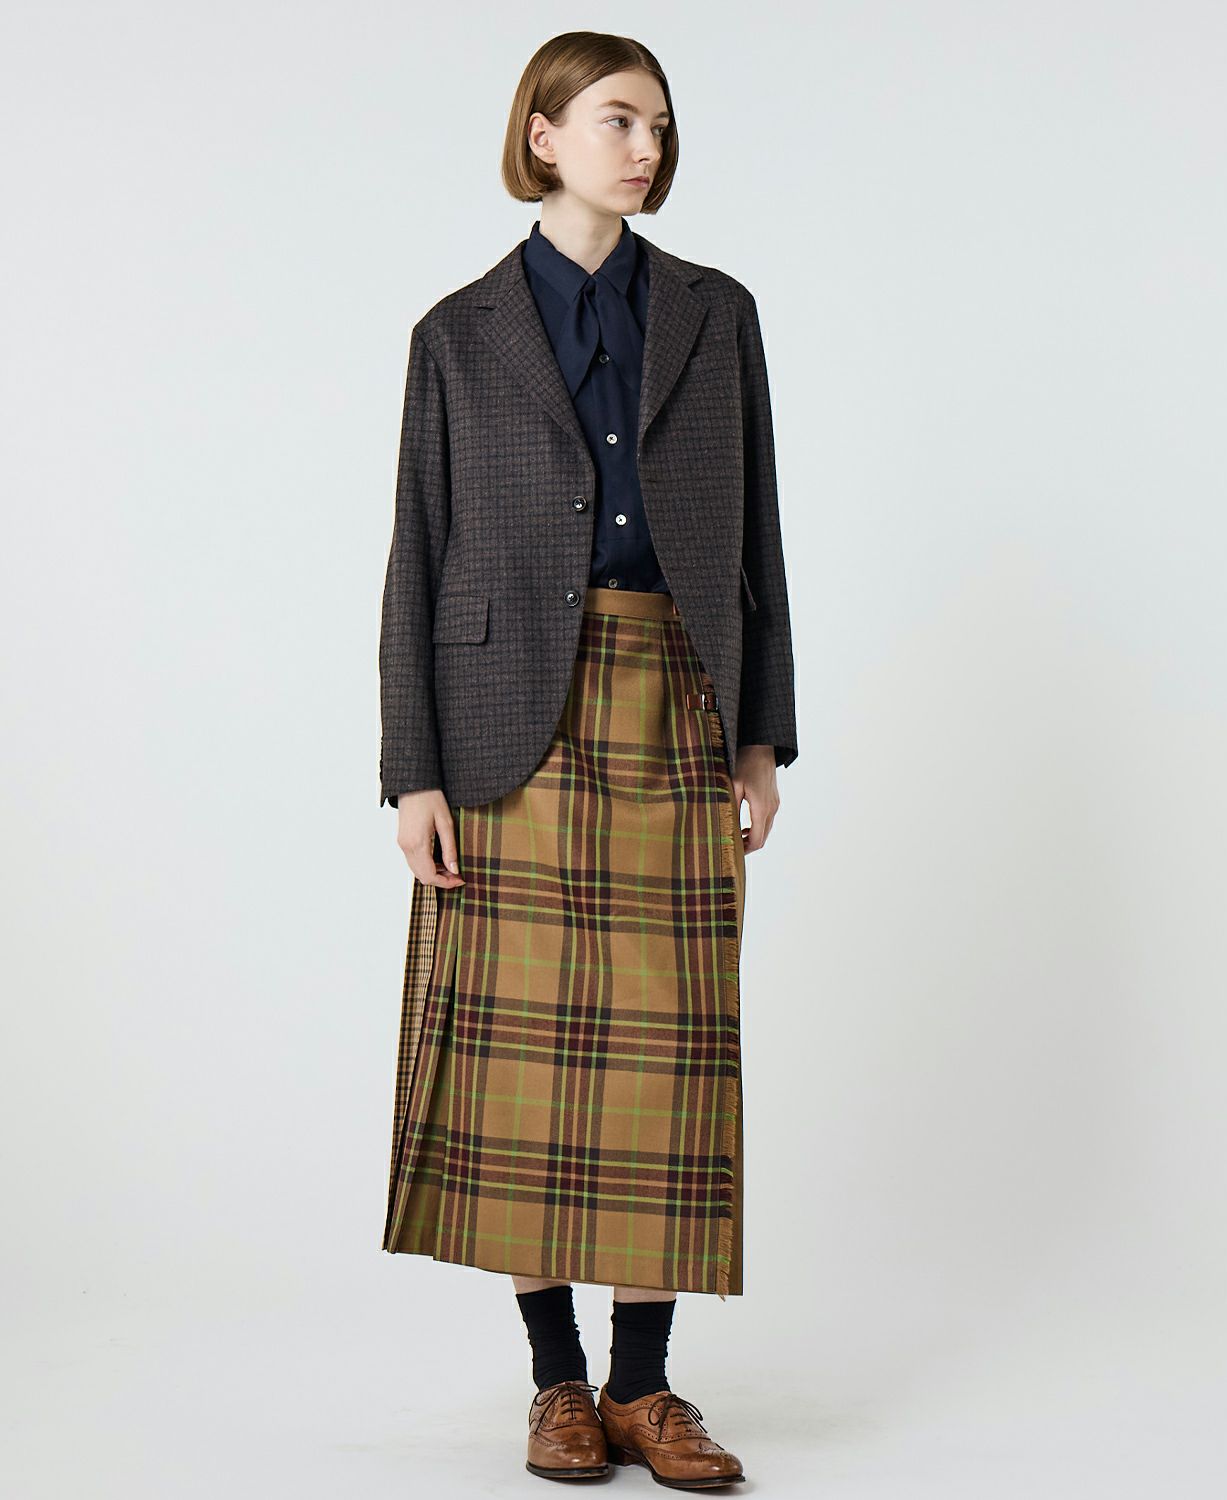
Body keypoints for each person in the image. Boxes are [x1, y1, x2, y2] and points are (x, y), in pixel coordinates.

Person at [377, 30, 798, 1489]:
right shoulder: (456, 334)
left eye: (659, 125)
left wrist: (761, 730)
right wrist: (413, 770)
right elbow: (416, 557)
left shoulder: (715, 314)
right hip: (504, 722)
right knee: (522, 1068)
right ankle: (557, 1381)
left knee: (666, 1057)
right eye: (619, 120)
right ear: (544, 137)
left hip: (675, 695)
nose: (647, 147)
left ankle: (644, 1385)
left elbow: (757, 531)